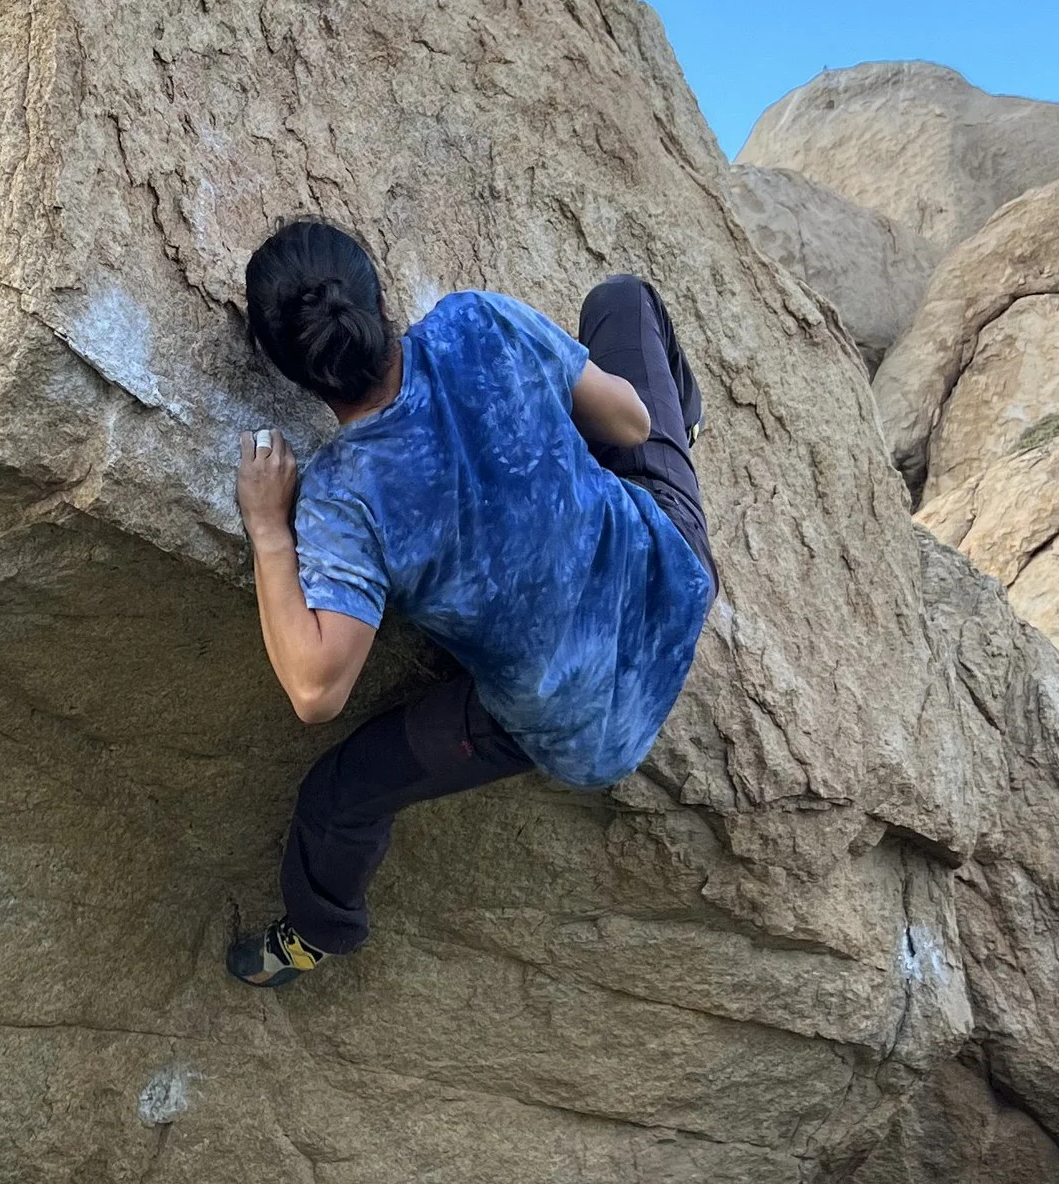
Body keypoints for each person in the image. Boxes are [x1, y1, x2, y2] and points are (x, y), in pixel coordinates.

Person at [227, 219, 718, 984]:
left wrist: (267, 528)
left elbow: (316, 688)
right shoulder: (478, 320)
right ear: (376, 294)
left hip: (578, 730)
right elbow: (629, 421)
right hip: (671, 576)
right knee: (624, 300)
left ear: (295, 373)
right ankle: (696, 417)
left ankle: (309, 938)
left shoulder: (343, 494)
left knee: (341, 793)